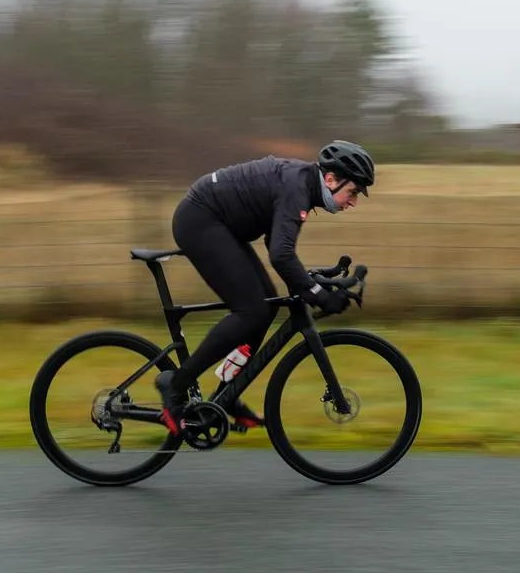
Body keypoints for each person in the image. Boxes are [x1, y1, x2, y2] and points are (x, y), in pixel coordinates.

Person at [155, 139, 376, 436]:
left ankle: (227, 394)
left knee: (266, 308)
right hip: (201, 220)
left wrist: (312, 281)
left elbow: (276, 243)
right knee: (250, 311)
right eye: (353, 192)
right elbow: (281, 255)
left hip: (220, 225)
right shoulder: (296, 189)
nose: (353, 201)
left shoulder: (303, 187)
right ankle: (176, 386)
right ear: (332, 179)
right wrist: (319, 296)